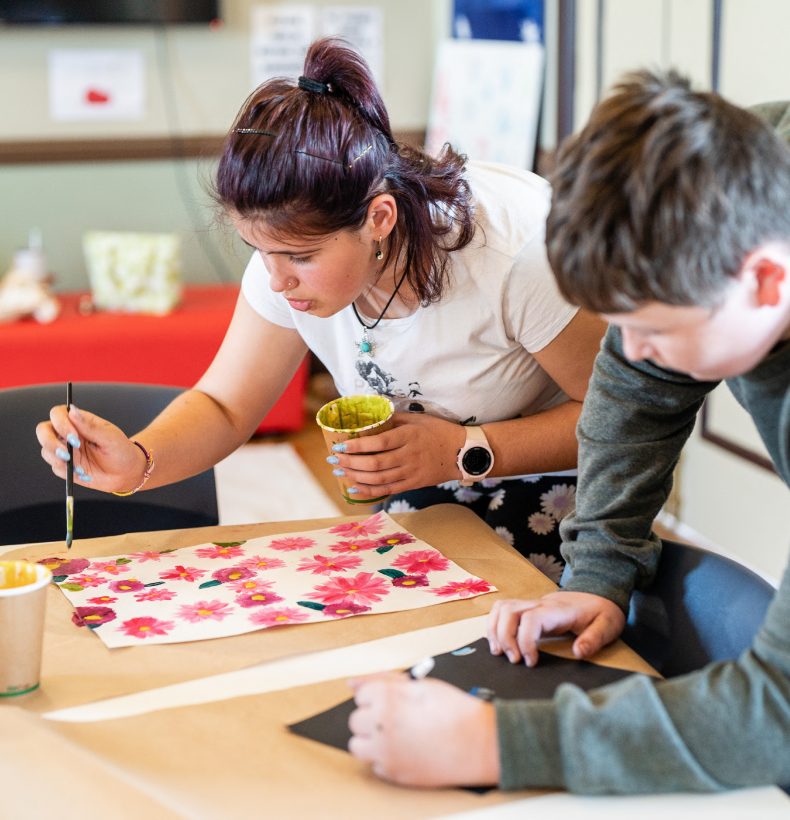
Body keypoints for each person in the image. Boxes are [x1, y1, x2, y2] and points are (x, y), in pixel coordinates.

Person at [348, 70, 790, 792]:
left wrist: (498, 742)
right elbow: (638, 384)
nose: (633, 353)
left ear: (767, 284)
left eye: (650, 330)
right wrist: (599, 569)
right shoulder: (744, 170)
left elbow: (778, 714)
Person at [36, 38, 603, 573]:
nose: (277, 280)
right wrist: (137, 461)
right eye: (258, 250)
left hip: (562, 500)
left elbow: (616, 417)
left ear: (379, 218)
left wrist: (462, 450)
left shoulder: (515, 253)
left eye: (299, 256)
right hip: (429, 500)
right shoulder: (282, 262)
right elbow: (226, 405)